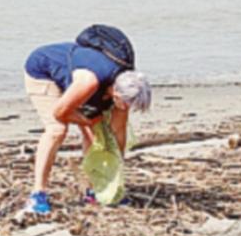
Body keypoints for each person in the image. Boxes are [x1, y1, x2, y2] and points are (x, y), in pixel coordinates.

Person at [22, 32, 152, 215]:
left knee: (97, 135)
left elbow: (118, 134)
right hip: (44, 71)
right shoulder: (89, 83)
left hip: (76, 83)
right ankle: (37, 195)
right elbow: (59, 112)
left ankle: (92, 190)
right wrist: (87, 120)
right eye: (127, 104)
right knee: (57, 130)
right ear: (115, 94)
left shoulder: (125, 90)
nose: (127, 109)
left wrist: (115, 174)